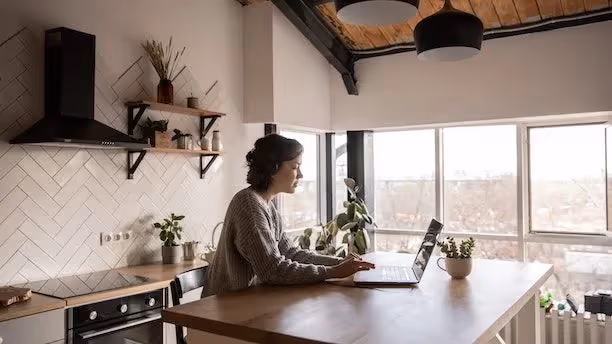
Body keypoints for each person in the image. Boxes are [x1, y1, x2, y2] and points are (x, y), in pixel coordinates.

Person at [202, 134, 375, 297]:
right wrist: (333, 271)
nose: (300, 174)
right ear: (273, 167)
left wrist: (339, 262)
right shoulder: (249, 204)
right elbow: (272, 269)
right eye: (295, 166)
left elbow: (291, 253)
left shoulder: (267, 206)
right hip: (219, 313)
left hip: (248, 302)